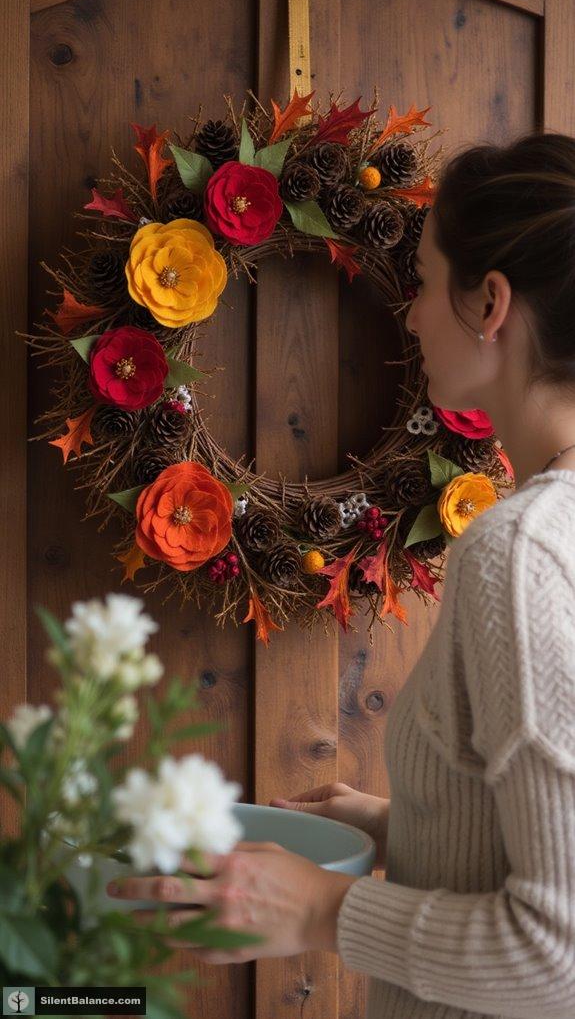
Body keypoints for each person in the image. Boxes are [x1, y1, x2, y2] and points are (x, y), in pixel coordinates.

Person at [106, 132, 575, 1018]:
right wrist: (415, 828)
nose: (410, 316)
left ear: (490, 304)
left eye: (427, 284)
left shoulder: (523, 553)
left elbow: (561, 956)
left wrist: (325, 908)